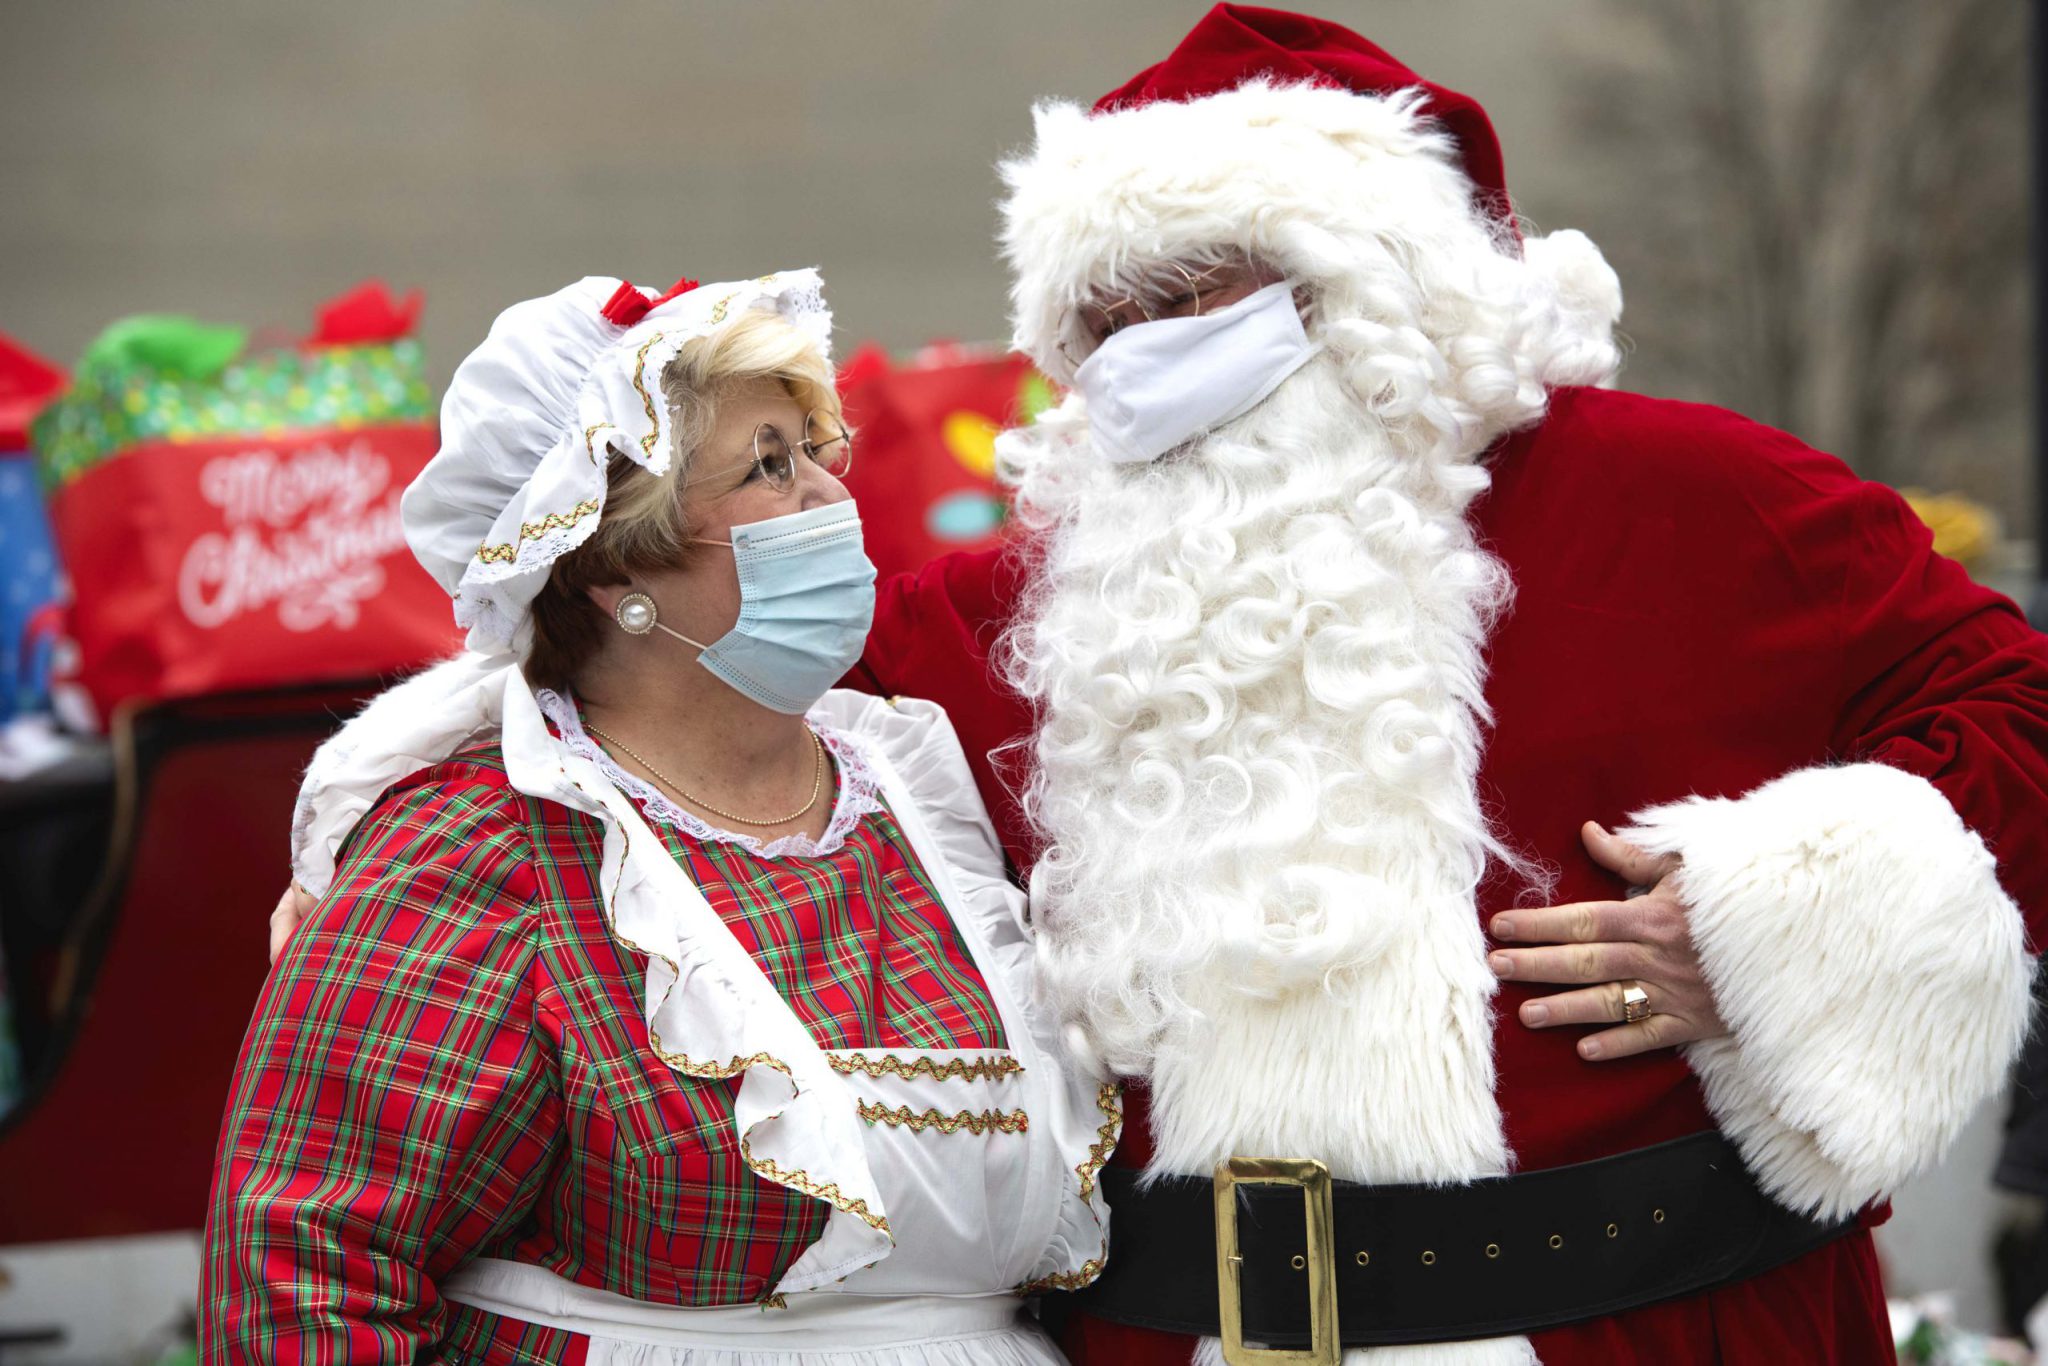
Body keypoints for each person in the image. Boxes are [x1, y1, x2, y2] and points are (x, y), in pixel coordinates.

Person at [274, 8, 2048, 1362]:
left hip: (1646, 1319)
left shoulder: (1701, 503)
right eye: (1102, 313)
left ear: (1381, 279)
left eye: (1198, 290)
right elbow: (640, 690)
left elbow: (2017, 714)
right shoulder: (1006, 602)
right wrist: (371, 836)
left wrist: (1784, 923)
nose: (1143, 357)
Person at [205, 270, 1115, 1364]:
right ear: (612, 565)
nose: (832, 499)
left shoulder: (919, 786)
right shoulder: (484, 846)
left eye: (815, 452)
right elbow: (305, 1271)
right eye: (768, 467)